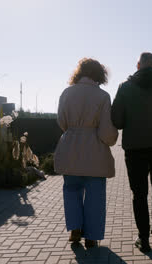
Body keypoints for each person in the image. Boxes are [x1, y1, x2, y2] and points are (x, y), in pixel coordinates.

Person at [111, 52, 152, 252]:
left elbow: (117, 120)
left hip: (135, 148)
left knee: (139, 193)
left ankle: (143, 238)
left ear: (138, 65)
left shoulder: (125, 87)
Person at [54, 58, 118, 249]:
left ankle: (75, 229)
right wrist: (111, 140)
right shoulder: (103, 96)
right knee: (95, 197)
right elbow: (106, 130)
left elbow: (61, 121)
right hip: (95, 153)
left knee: (71, 192)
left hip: (70, 149)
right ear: (100, 74)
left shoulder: (66, 93)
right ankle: (91, 236)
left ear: (79, 72)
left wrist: (74, 131)